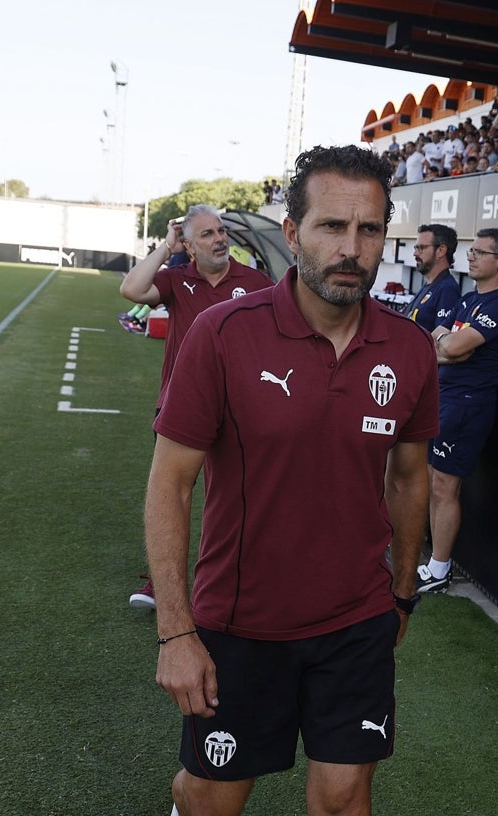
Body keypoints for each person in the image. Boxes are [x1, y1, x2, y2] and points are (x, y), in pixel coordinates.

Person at [144, 145, 438, 816]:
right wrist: (175, 631)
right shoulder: (222, 334)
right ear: (292, 233)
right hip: (242, 621)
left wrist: (400, 592)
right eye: (332, 226)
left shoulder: (410, 349)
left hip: (358, 620)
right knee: (210, 800)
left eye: (369, 230)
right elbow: (170, 486)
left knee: (343, 801)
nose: (351, 248)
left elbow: (410, 478)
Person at [120, 206, 273, 609]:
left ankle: (232, 584)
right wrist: (163, 247)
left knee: (234, 501)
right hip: (181, 408)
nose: (219, 239)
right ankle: (162, 583)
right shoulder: (176, 279)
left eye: (221, 231)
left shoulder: (255, 282)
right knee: (171, 494)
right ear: (188, 245)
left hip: (240, 412)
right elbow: (132, 290)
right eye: (206, 234)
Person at [419, 229, 498, 594]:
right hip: (444, 399)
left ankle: (440, 569)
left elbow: (456, 346)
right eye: (472, 250)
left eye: (480, 252)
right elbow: (439, 342)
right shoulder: (466, 300)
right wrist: (449, 346)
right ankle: (433, 562)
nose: (471, 256)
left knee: (445, 487)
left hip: (466, 406)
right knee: (433, 483)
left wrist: (449, 345)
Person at [403, 224, 460, 331]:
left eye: (421, 248)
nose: (415, 253)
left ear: (441, 250)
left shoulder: (447, 289)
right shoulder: (429, 285)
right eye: (416, 248)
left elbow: (440, 340)